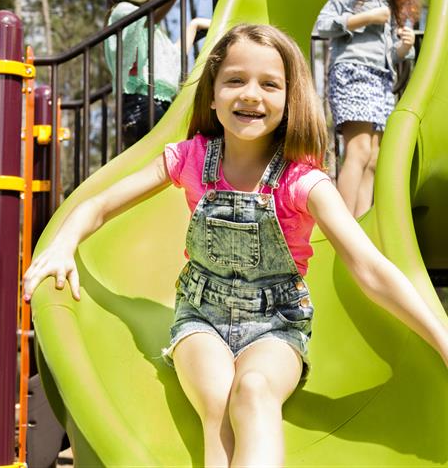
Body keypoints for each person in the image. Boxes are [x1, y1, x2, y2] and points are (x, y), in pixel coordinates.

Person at [24, 24, 448, 466]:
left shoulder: (303, 182)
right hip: (200, 318)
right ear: (211, 94)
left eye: (269, 84)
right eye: (234, 80)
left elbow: (369, 268)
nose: (250, 94)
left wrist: (441, 336)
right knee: (217, 401)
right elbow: (100, 203)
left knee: (254, 391)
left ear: (289, 101)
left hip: (277, 326)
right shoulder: (189, 158)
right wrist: (64, 243)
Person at [316, 0, 419, 217]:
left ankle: (359, 225)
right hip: (353, 71)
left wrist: (405, 46)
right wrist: (366, 18)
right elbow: (324, 24)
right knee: (359, 149)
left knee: (374, 157)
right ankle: (341, 226)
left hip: (381, 78)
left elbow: (391, 55)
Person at [104, 0, 211, 148]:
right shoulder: (122, 13)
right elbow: (151, 12)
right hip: (139, 106)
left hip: (157, 104)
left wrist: (194, 26)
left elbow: (172, 58)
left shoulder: (152, 28)